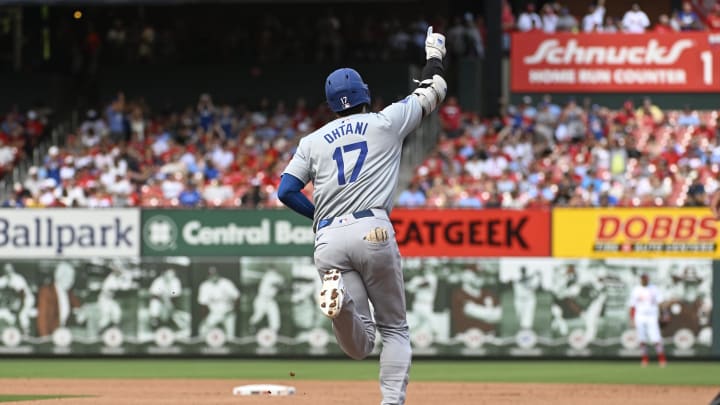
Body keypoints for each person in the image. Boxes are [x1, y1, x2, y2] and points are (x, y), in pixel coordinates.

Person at [277, 26, 447, 405]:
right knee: (395, 329)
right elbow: (434, 88)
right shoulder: (386, 121)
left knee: (359, 345)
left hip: (328, 239)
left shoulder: (312, 141)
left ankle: (340, 310)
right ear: (365, 95)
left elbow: (285, 191)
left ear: (331, 104)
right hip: (372, 229)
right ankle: (391, 402)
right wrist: (434, 52)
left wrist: (319, 216)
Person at [629, 273, 667, 367]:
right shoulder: (636, 290)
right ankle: (644, 359)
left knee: (656, 338)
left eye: (645, 279)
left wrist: (664, 314)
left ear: (648, 279)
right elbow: (632, 306)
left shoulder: (653, 289)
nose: (644, 280)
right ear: (640, 279)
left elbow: (661, 303)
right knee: (642, 339)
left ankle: (661, 359)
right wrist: (632, 319)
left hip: (652, 316)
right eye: (642, 279)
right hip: (640, 316)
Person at [197, 266, 240, 339]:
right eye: (211, 275)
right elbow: (202, 304)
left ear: (218, 274)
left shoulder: (226, 283)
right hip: (215, 314)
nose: (213, 277)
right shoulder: (204, 286)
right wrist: (204, 319)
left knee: (231, 337)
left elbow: (237, 296)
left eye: (215, 274)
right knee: (202, 331)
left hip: (228, 314)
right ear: (208, 276)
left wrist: (234, 310)